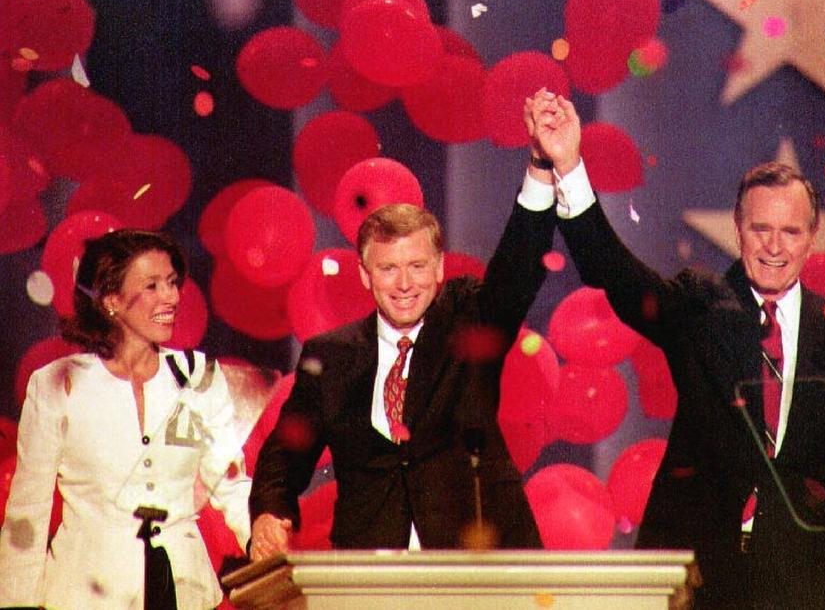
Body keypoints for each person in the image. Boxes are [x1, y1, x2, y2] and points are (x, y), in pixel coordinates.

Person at [523, 90, 825, 609]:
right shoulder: (699, 307)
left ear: (813, 238)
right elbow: (616, 275)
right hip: (700, 577)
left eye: (790, 232)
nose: (774, 246)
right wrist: (567, 165)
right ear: (738, 230)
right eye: (760, 229)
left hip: (806, 578)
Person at [248, 193, 555, 556]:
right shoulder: (329, 356)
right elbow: (283, 457)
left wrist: (539, 172)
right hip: (372, 578)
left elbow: (515, 276)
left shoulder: (468, 322)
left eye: (417, 266)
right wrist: (270, 513)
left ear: (440, 267)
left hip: (479, 569)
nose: (405, 284)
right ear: (365, 274)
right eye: (388, 268)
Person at [0, 229, 252, 609]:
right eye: (152, 286)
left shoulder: (198, 377)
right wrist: (16, 603)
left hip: (183, 590)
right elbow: (28, 510)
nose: (172, 297)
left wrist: (262, 539)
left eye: (172, 283)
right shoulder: (59, 383)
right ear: (111, 300)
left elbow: (230, 484)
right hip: (85, 594)